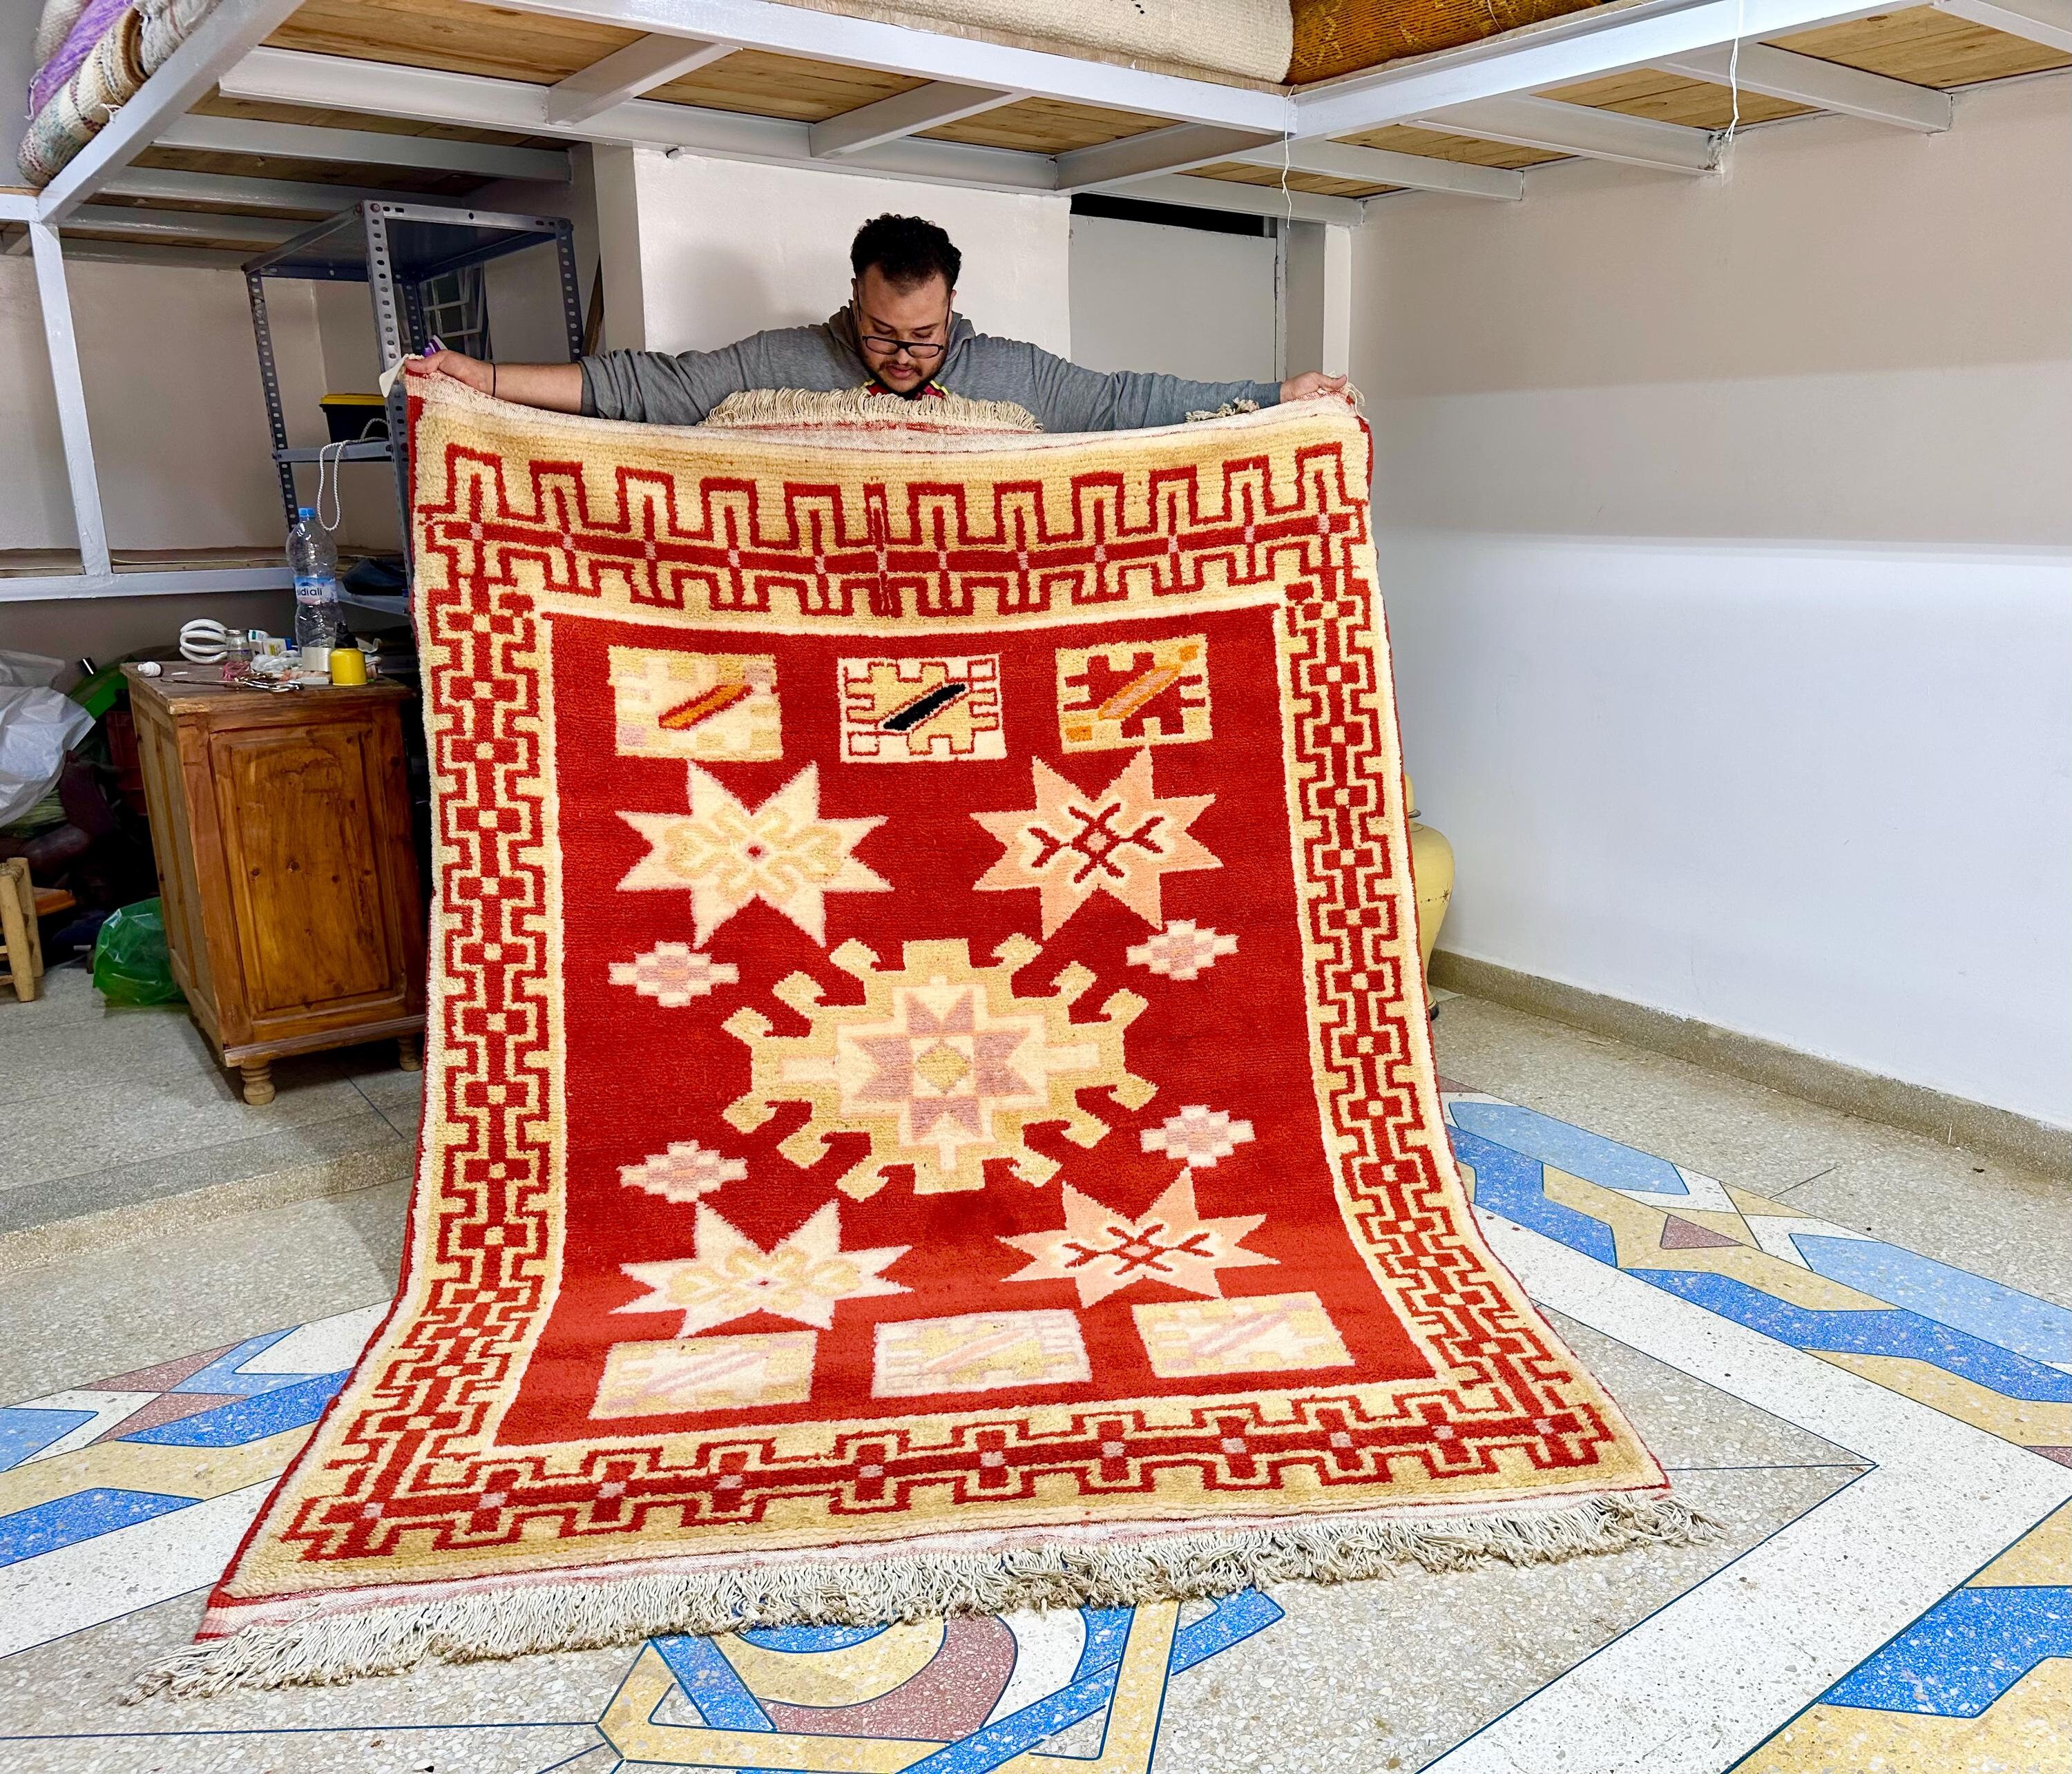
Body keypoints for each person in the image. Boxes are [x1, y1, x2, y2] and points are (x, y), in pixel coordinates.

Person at [417, 212, 1347, 432]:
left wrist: (1279, 396)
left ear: (952, 309)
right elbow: (644, 387)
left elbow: (1126, 403)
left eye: (925, 338)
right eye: (883, 335)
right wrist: (485, 381)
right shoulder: (779, 362)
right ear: (855, 302)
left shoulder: (1015, 375)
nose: (904, 357)